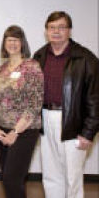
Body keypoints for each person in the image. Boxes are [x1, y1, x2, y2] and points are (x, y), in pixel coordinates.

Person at [33, 11, 99, 198]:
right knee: (51, 175)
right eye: (52, 27)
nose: (56, 31)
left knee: (73, 176)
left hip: (73, 122)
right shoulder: (39, 56)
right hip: (45, 120)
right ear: (46, 31)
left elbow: (95, 99)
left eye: (61, 27)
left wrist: (88, 133)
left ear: (69, 30)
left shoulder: (86, 58)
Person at [0, 25, 44, 198]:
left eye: (16, 39)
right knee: (8, 180)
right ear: (4, 43)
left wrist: (15, 131)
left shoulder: (32, 67)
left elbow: (35, 103)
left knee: (12, 179)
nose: (13, 43)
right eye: (9, 39)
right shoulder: (1, 70)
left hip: (25, 130)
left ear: (22, 43)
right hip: (2, 130)